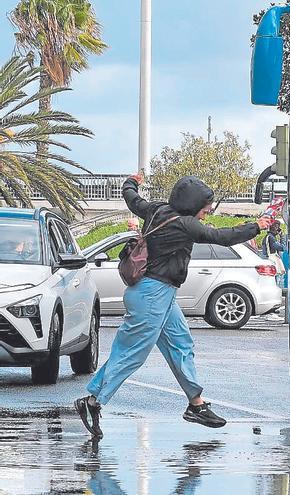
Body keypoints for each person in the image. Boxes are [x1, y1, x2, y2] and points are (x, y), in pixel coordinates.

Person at [75, 174, 272, 439]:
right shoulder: (185, 224)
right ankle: (93, 401)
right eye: (205, 209)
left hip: (161, 294)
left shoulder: (155, 209)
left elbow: (133, 200)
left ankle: (196, 404)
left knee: (181, 344)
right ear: (192, 206)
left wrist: (131, 182)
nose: (207, 214)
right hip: (151, 296)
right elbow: (220, 236)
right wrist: (256, 226)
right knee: (132, 353)